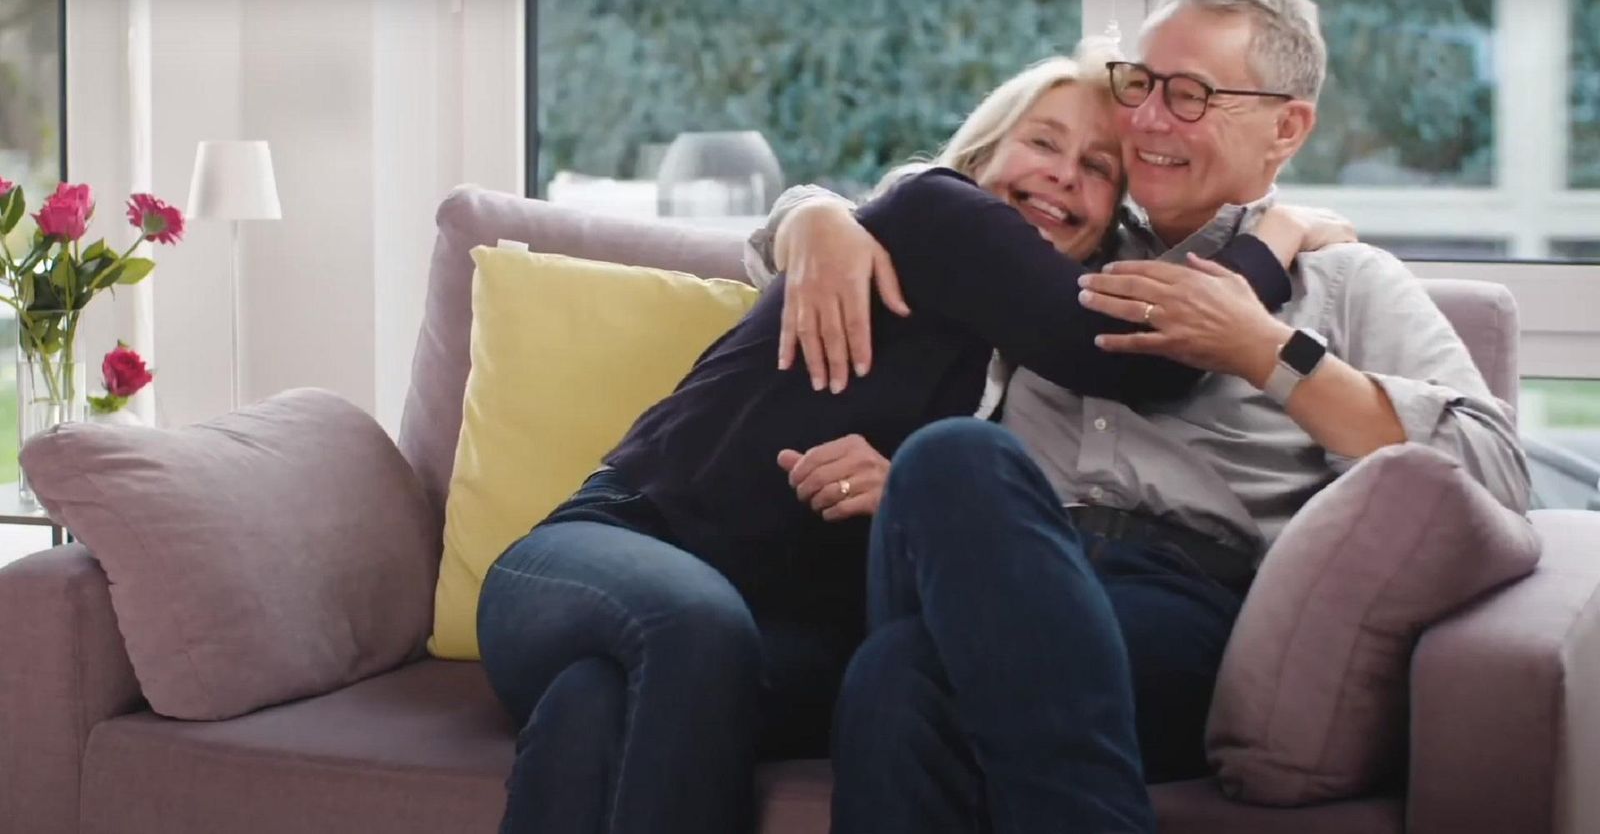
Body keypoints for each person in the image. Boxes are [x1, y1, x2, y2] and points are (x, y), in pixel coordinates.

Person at [474, 42, 1343, 834]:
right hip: (605, 546)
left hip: (773, 635)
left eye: (1097, 169)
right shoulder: (937, 211)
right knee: (692, 628)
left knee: (602, 699)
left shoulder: (1024, 375)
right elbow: (1146, 360)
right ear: (985, 152)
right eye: (1043, 143)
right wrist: (1283, 230)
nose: (1063, 177)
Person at [755, 0, 1530, 834]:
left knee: (896, 680)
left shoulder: (1343, 284)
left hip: (1177, 605)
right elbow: (919, 201)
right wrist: (809, 213)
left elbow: (1492, 473)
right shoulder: (1059, 231)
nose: (1149, 120)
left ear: (1287, 127)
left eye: (1191, 95)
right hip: (996, 556)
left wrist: (1269, 353)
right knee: (950, 462)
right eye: (1142, 85)